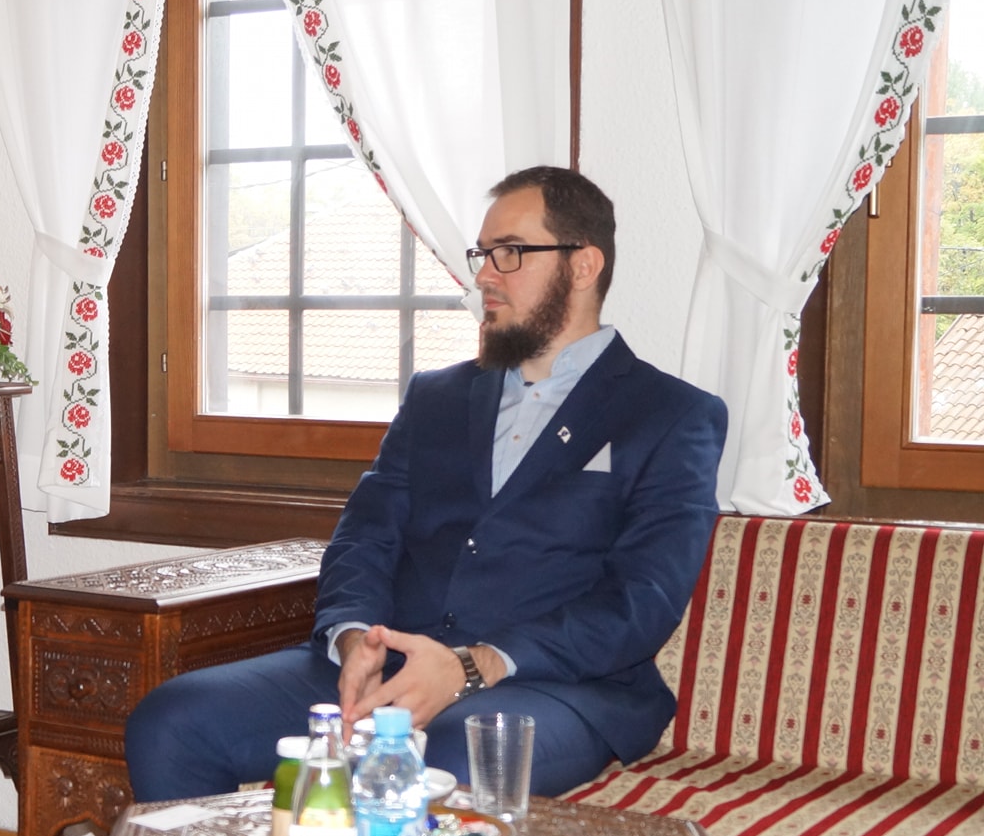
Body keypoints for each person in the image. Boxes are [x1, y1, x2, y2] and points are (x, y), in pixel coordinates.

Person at [125, 166, 728, 802]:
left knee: (440, 763)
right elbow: (365, 538)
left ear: (583, 265)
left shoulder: (671, 415)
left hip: (550, 685)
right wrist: (353, 637)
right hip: (391, 667)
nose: (485, 275)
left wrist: (474, 663)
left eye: (510, 252)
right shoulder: (436, 397)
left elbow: (642, 599)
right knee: (173, 721)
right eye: (482, 254)